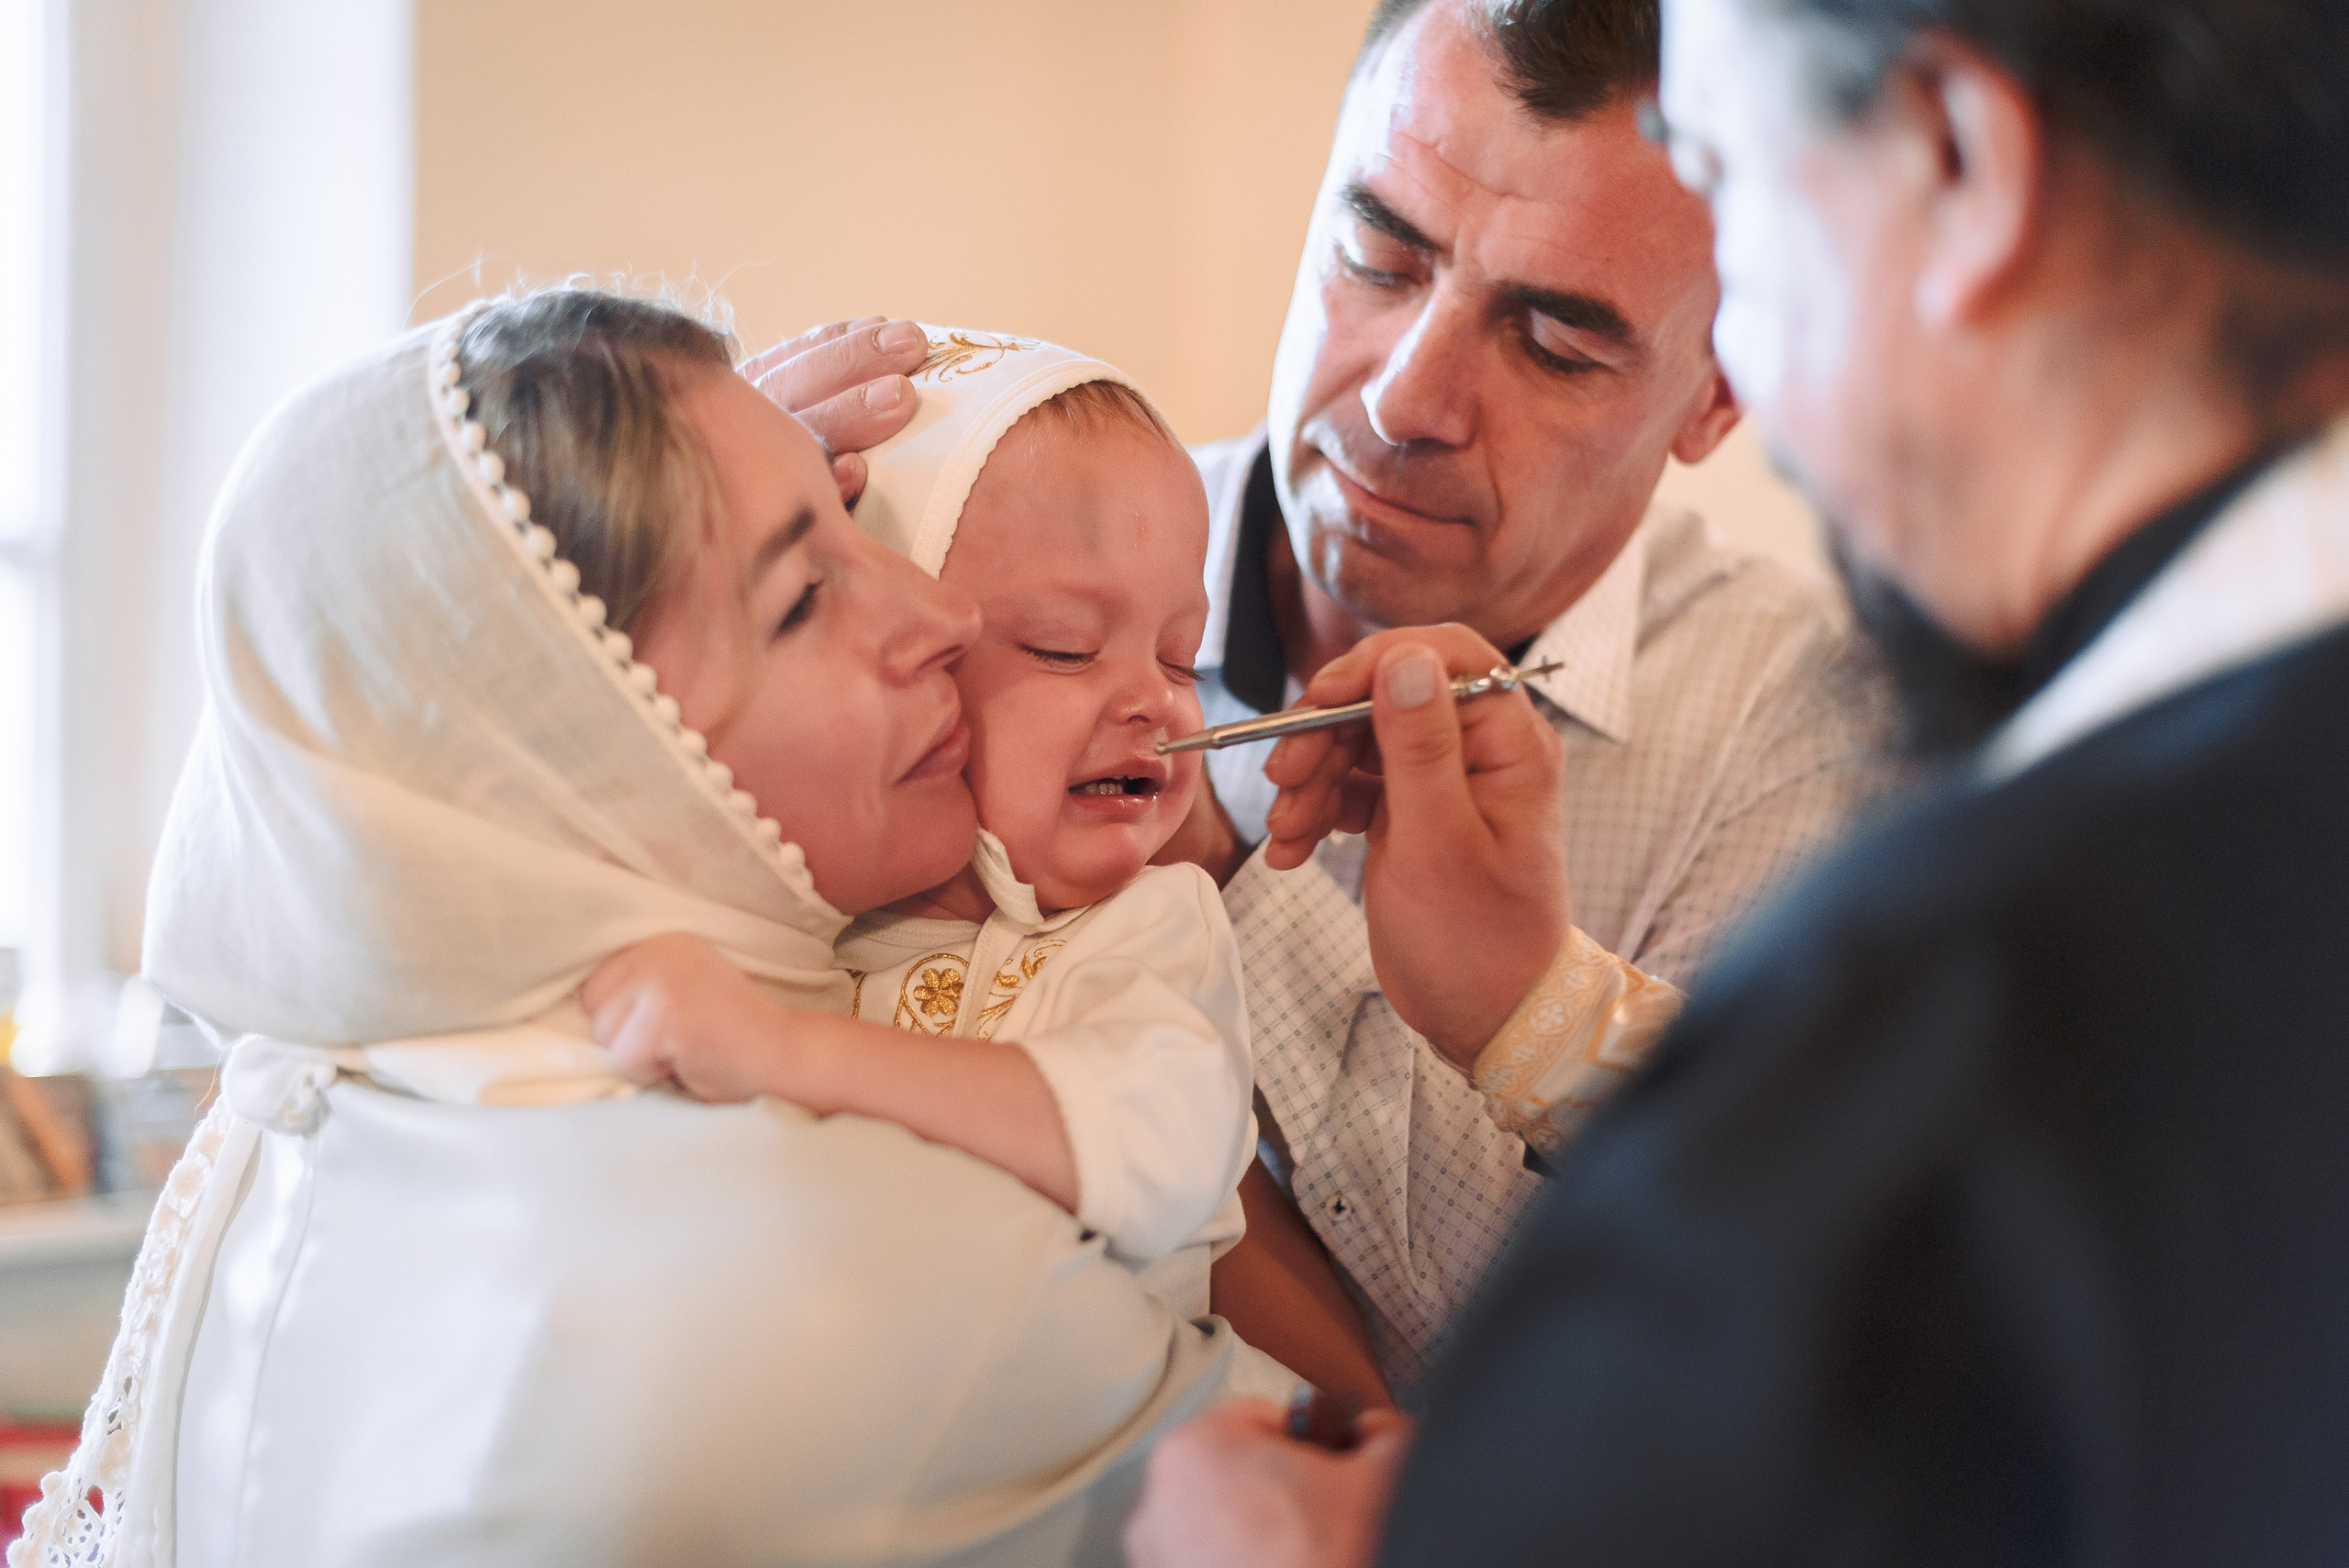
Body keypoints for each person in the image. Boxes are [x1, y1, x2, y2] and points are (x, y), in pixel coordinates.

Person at [1124, 0, 2349, 1561]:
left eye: (1731, 177)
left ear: (1961, 167)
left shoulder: (1969, 960)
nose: (1408, 402)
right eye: (1378, 253)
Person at [9, 288, 1260, 1568]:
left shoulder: (328, 1109)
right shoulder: (853, 1270)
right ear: (596, 743)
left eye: (851, 520)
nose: (942, 620)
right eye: (801, 595)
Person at [1163, 0, 1892, 1393]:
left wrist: (1228, 873)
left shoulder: (1802, 735)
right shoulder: (972, 572)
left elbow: (1611, 1395)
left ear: (1717, 394)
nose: (1406, 401)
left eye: (1553, 345)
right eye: (1376, 254)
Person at [580, 332, 1270, 1343]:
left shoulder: (1150, 928)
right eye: (1065, 646)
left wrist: (784, 1051)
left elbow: (1159, 1147)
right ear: (909, 649)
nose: (1156, 705)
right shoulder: (797, 909)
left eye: (1180, 654)